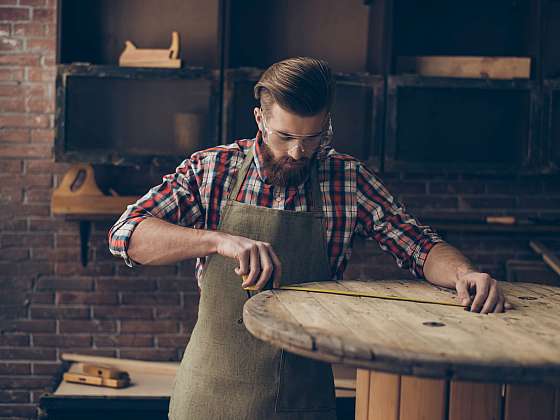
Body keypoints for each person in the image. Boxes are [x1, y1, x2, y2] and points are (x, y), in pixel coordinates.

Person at [108, 57, 509, 419]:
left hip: (301, 398)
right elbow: (126, 234)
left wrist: (463, 273)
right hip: (210, 395)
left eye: (314, 137)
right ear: (260, 120)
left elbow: (417, 245)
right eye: (285, 137)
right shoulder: (212, 169)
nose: (300, 152)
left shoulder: (348, 179)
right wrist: (219, 240)